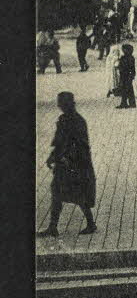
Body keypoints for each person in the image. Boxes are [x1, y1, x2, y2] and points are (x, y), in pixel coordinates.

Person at [37, 92, 98, 237]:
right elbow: (59, 142)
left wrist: (68, 158)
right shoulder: (64, 119)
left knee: (77, 195)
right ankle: (53, 226)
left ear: (68, 104)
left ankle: (90, 223)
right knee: (57, 192)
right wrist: (53, 157)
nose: (59, 106)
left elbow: (80, 146)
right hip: (64, 164)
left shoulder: (77, 121)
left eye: (62, 104)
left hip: (75, 165)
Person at [116, 44, 137, 108]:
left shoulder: (126, 58)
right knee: (128, 89)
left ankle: (125, 103)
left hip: (126, 75)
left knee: (126, 89)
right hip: (126, 75)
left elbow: (125, 67)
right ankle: (130, 103)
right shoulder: (129, 57)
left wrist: (119, 64)